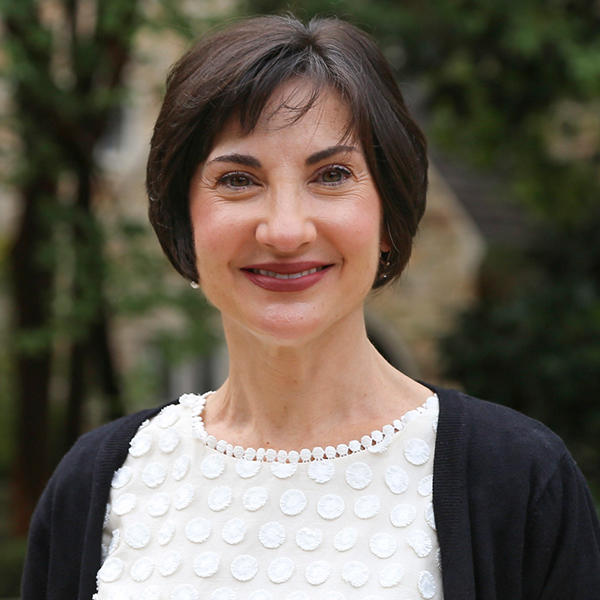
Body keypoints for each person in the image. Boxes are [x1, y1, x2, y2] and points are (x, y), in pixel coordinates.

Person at [22, 14, 600, 600]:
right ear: (184, 223)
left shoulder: (519, 480)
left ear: (388, 218)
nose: (285, 230)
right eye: (238, 180)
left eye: (332, 175)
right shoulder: (99, 483)